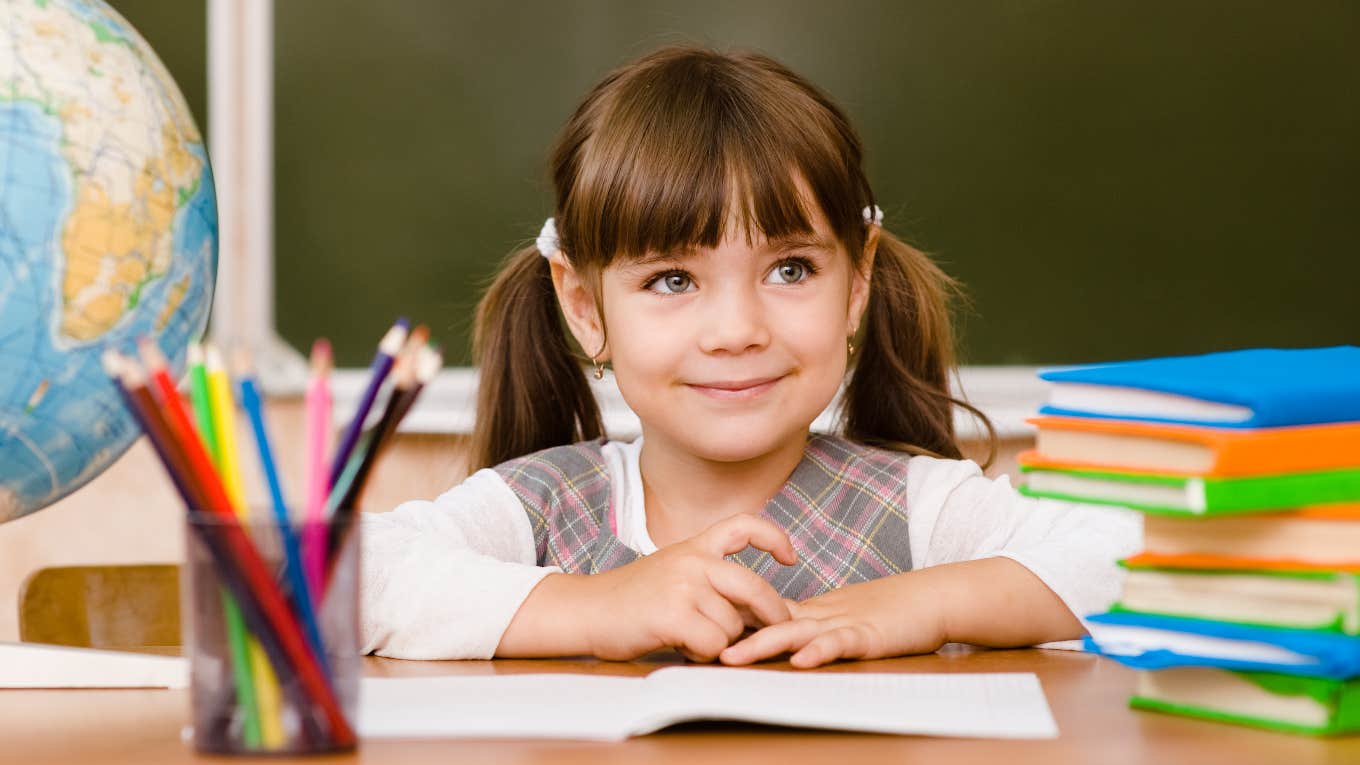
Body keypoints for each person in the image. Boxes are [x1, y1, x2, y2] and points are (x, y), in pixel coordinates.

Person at [360, 45, 1138, 668]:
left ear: (857, 280)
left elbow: (1142, 553)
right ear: (585, 306)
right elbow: (340, 574)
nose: (736, 329)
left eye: (791, 270)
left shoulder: (917, 512)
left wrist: (923, 603)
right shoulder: (544, 507)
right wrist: (598, 607)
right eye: (672, 279)